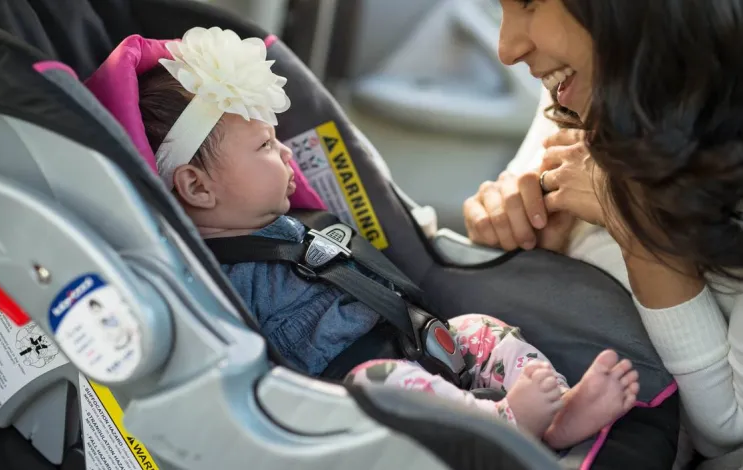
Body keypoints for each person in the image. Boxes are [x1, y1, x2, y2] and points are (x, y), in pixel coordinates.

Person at [135, 26, 639, 449]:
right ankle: (507, 426)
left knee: (481, 329)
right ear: (197, 187)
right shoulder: (213, 281)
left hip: (415, 345)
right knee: (382, 381)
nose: (287, 153)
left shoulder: (302, 223)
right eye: (266, 144)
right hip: (351, 398)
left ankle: (557, 416)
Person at [463, 0, 743, 462]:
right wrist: (510, 221)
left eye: (530, 4)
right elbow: (533, 197)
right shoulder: (587, 79)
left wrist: (636, 223)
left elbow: (727, 430)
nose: (508, 49)